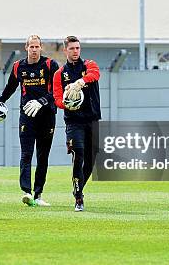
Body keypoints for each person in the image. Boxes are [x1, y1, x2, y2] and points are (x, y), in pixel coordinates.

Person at [0, 35, 59, 207]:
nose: (34, 50)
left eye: (37, 47)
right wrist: (0, 101)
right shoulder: (18, 67)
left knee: (42, 157)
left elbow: (57, 92)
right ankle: (27, 192)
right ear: (26, 47)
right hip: (27, 117)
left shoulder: (50, 65)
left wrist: (41, 102)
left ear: (41, 48)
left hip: (47, 116)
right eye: (32, 47)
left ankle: (38, 194)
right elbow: (11, 87)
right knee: (26, 154)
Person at [52, 36, 101, 212]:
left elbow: (95, 75)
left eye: (77, 48)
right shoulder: (59, 74)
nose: (75, 52)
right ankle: (79, 197)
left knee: (91, 160)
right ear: (65, 50)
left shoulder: (89, 65)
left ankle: (78, 188)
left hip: (93, 119)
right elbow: (57, 98)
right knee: (78, 153)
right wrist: (67, 101)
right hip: (74, 122)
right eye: (72, 48)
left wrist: (80, 82)